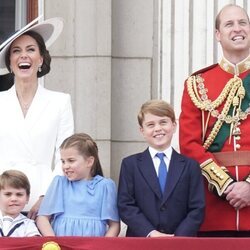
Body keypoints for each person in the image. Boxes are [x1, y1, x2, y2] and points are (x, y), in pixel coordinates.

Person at [179, 4, 250, 237]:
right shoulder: (197, 83)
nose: (237, 29)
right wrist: (227, 185)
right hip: (214, 208)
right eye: (229, 24)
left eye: (243, 23)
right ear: (218, 35)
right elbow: (189, 144)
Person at [0, 17, 74, 219]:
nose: (24, 55)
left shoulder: (60, 101)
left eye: (31, 49)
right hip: (3, 198)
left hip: (40, 202)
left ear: (41, 59)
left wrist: (47, 197)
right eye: (16, 51)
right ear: (10, 63)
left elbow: (65, 156)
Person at [117, 100, 205, 237]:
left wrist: (177, 238)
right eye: (150, 125)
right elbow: (126, 205)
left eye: (163, 122)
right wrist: (150, 233)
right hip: (141, 241)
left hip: (180, 243)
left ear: (174, 126)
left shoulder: (190, 166)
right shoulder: (130, 165)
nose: (158, 128)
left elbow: (197, 208)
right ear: (142, 131)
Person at [36, 133, 120, 237]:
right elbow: (42, 218)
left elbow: (114, 225)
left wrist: (102, 246)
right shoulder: (59, 184)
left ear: (89, 162)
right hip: (62, 245)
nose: (65, 166)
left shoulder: (105, 186)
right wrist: (54, 241)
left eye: (71, 160)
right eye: (63, 161)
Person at [0, 170, 40, 237]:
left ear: (27, 198)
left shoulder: (28, 225)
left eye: (19, 194)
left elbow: (34, 244)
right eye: (8, 194)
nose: (14, 199)